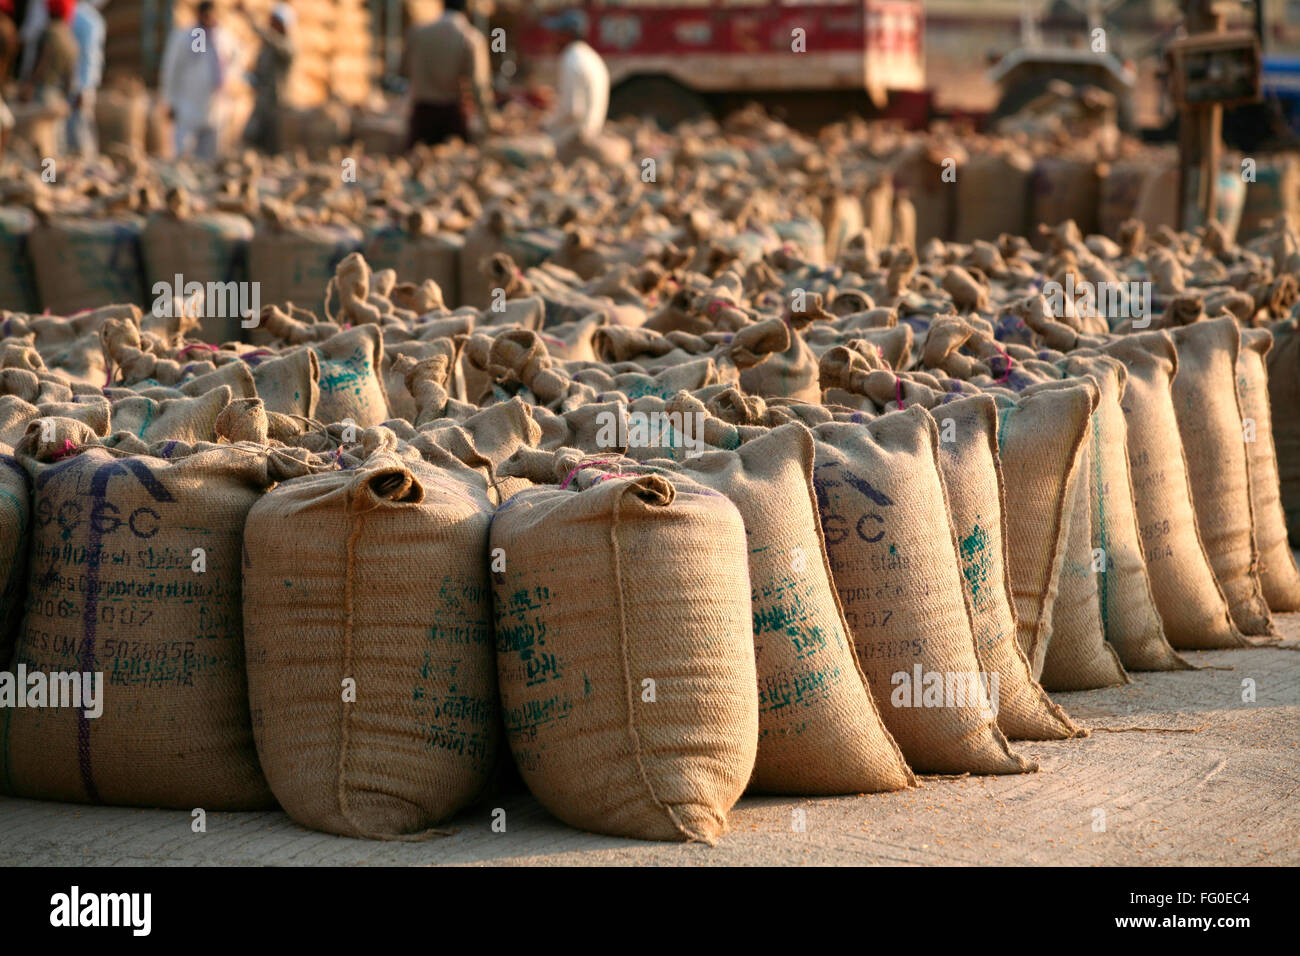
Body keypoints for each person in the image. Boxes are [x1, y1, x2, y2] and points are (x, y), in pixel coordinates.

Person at [402, 0, 495, 149]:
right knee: (453, 164)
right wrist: (487, 120)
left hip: (422, 114)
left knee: (415, 162)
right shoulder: (471, 37)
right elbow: (478, 85)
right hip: (452, 116)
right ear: (467, 9)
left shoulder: (417, 32)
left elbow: (405, 70)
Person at [159, 0, 239, 160]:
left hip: (216, 107)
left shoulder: (223, 37)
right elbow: (171, 69)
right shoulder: (189, 37)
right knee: (184, 155)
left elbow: (235, 62)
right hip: (187, 104)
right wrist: (169, 100)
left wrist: (228, 87)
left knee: (210, 158)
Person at [541, 9, 608, 159]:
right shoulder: (590, 55)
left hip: (576, 138)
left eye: (558, 33)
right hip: (592, 129)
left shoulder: (571, 59)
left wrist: (545, 125)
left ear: (567, 35)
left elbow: (572, 110)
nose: (553, 38)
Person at [236, 0, 295, 154]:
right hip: (262, 101)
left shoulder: (287, 47)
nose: (271, 25)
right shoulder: (267, 49)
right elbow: (261, 70)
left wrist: (250, 19)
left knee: (273, 144)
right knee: (251, 139)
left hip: (277, 104)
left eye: (275, 22)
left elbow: (271, 39)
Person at [68, 0, 107, 158]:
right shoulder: (90, 20)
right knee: (80, 130)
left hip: (74, 84)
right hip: (81, 85)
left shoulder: (76, 15)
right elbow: (91, 57)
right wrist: (85, 87)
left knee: (75, 129)